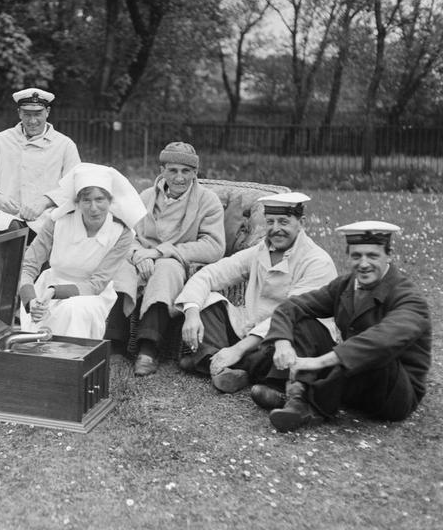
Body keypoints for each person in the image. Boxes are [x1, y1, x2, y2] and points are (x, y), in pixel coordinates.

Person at [258, 221, 431, 432]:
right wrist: (283, 343)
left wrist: (318, 362)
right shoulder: (345, 285)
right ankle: (292, 395)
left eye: (373, 256)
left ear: (389, 255)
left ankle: (310, 406)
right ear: (348, 256)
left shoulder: (410, 298)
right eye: (356, 256)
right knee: (304, 324)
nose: (364, 264)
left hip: (393, 393)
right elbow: (292, 306)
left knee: (372, 352)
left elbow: (381, 341)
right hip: (353, 379)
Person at [175, 192, 338, 394]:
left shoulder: (317, 261)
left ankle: (216, 362)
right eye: (270, 222)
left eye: (284, 222)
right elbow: (210, 274)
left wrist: (238, 349)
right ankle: (228, 366)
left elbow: (289, 314)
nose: (276, 229)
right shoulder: (260, 250)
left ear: (301, 222)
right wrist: (191, 312)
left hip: (288, 334)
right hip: (251, 327)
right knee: (207, 300)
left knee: (285, 344)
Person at [104, 142, 225, 376]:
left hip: (177, 262)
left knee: (166, 270)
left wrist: (161, 252)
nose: (179, 178)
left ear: (195, 173)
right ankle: (115, 345)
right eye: (173, 171)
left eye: (186, 171)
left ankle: (148, 349)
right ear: (162, 171)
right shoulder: (146, 196)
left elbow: (214, 246)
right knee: (122, 268)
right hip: (141, 258)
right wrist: (138, 254)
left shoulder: (208, 201)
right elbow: (126, 234)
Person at [18, 163, 147, 340]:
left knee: (73, 309)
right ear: (77, 202)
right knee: (41, 342)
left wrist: (54, 292)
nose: (93, 208)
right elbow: (27, 266)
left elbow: (96, 284)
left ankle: (73, 362)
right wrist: (31, 300)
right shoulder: (57, 222)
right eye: (86, 200)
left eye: (100, 199)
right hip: (45, 292)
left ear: (110, 201)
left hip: (91, 296)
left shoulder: (121, 234)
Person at [0, 87, 81, 238]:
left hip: (48, 216)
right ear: (19, 113)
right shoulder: (1, 140)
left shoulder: (65, 145)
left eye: (38, 114)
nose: (32, 121)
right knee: (10, 233)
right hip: (6, 216)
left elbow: (75, 185)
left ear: (47, 112)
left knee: (49, 235)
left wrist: (46, 201)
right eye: (27, 114)